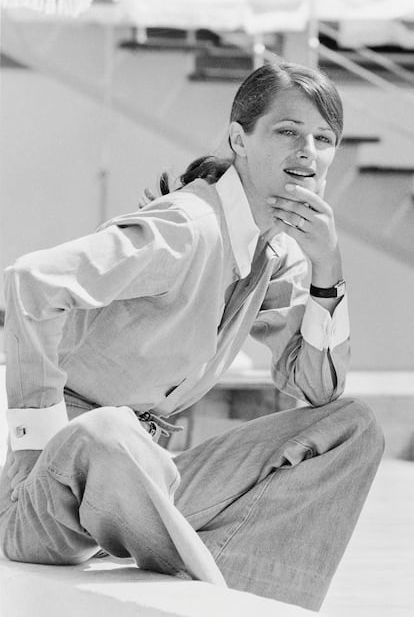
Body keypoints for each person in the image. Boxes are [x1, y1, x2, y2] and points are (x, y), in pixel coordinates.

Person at [0, 60, 384, 611]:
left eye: (324, 138)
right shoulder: (188, 228)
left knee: (352, 427)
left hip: (148, 483)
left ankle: (247, 592)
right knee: (110, 432)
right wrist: (33, 447)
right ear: (238, 139)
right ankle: (218, 599)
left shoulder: (275, 254)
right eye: (287, 131)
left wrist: (328, 266)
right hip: (53, 497)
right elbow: (32, 283)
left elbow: (317, 389)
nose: (308, 151)